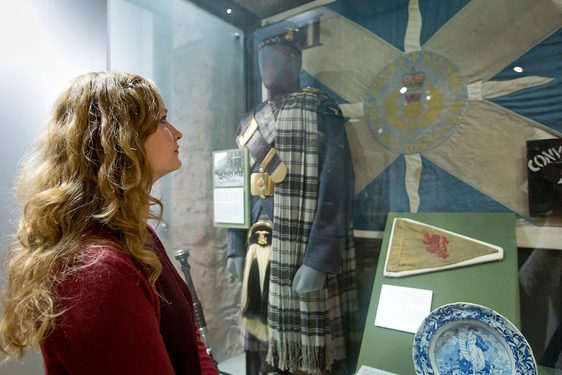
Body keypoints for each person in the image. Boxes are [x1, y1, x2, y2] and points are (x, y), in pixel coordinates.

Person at [0, 71, 219, 375]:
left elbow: (189, 341)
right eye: (163, 120)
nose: (177, 132)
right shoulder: (94, 272)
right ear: (121, 138)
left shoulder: (136, 234)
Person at [227, 24, 358, 374]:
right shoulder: (248, 121)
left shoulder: (322, 110)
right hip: (259, 246)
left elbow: (337, 188)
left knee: (307, 355)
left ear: (296, 61)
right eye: (262, 59)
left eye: (277, 58)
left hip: (302, 245)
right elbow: (234, 187)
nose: (266, 67)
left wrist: (319, 257)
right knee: (260, 336)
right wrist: (233, 245)